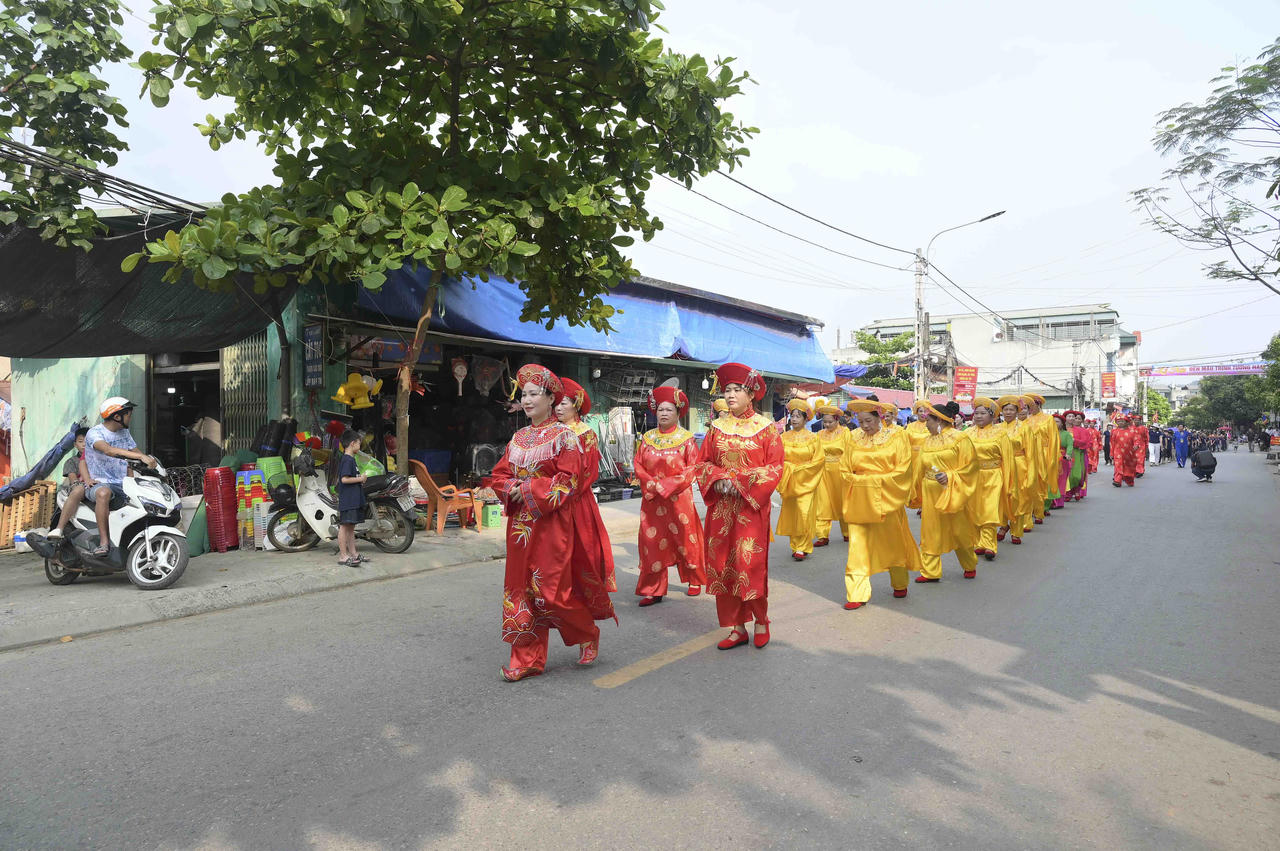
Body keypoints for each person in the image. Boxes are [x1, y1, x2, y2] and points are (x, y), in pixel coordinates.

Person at [490, 364, 600, 682]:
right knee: (520, 590)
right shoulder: (519, 438)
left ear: (551, 398)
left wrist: (526, 489)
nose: (526, 400)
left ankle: (586, 631)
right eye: (523, 394)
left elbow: (569, 481)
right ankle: (527, 658)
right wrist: (507, 487)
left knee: (549, 593)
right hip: (521, 528)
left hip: (552, 523)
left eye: (533, 394)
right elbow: (499, 474)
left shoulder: (565, 437)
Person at [696, 362, 784, 650]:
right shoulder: (716, 429)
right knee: (723, 565)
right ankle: (736, 627)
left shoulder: (766, 429)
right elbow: (703, 463)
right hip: (721, 508)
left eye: (737, 390)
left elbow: (775, 467)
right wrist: (718, 477)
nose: (730, 395)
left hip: (750, 508)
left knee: (750, 564)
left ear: (751, 394)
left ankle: (760, 621)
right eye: (727, 390)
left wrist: (741, 482)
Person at [839, 399, 921, 608]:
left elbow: (903, 469)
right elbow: (844, 468)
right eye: (861, 421)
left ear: (880, 417)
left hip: (887, 497)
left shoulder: (896, 436)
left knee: (892, 543)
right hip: (859, 497)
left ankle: (899, 582)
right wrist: (858, 481)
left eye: (868, 421)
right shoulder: (853, 437)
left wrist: (874, 482)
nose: (865, 426)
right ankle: (856, 593)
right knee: (857, 547)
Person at [554, 378, 619, 630]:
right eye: (556, 403)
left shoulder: (586, 434)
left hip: (577, 502)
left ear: (576, 405)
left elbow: (590, 472)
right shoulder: (551, 432)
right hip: (553, 502)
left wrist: (563, 493)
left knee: (583, 553)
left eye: (565, 402)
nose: (559, 408)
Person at [633, 385, 706, 604]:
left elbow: (693, 467)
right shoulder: (647, 438)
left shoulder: (686, 439)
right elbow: (638, 464)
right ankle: (653, 588)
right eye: (661, 410)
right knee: (651, 543)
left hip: (678, 500)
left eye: (669, 410)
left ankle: (694, 579)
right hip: (652, 501)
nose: (664, 413)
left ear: (677, 414)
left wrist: (667, 485)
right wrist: (652, 485)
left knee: (685, 539)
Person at [912, 401, 981, 582]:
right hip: (930, 491)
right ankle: (930, 571)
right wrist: (913, 491)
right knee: (930, 530)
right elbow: (919, 467)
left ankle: (969, 563)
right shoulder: (926, 441)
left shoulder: (960, 438)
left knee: (959, 529)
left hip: (953, 490)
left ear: (939, 421)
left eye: (928, 420)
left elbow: (971, 466)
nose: (925, 424)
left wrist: (950, 476)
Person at [81, 398, 158, 556]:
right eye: (129, 414)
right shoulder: (95, 433)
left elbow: (135, 451)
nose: (131, 417)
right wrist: (141, 457)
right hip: (98, 484)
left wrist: (149, 460)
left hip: (123, 483)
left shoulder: (124, 432)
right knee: (104, 493)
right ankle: (104, 543)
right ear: (117, 417)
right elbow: (108, 450)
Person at [966, 397, 1015, 561]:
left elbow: (1008, 459)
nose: (978, 416)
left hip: (993, 475)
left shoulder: (1001, 434)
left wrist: (1009, 483)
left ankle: (990, 545)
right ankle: (978, 542)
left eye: (983, 413)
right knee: (974, 509)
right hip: (972, 476)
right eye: (976, 413)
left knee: (989, 509)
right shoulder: (967, 433)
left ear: (992, 416)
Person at [776, 397, 825, 561]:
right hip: (789, 480)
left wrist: (801, 470)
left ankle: (803, 546)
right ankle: (795, 545)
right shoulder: (783, 437)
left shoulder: (813, 438)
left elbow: (818, 460)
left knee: (804, 513)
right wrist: (788, 470)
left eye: (798, 416)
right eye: (793, 415)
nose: (794, 419)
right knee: (792, 514)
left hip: (806, 480)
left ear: (805, 419)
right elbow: (777, 458)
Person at [996, 395, 1034, 546]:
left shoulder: (1025, 428)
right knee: (1002, 496)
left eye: (1012, 409)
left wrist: (1030, 472)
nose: (1008, 412)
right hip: (1001, 466)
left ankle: (1016, 530)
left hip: (1019, 464)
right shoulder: (997, 428)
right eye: (1005, 409)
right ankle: (1004, 524)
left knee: (1017, 497)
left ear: (1017, 411)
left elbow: (1030, 452)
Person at [813, 398, 850, 546]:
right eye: (825, 422)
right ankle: (822, 535)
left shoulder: (845, 433)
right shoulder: (819, 434)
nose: (827, 424)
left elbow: (849, 452)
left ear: (837, 420)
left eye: (830, 422)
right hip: (823, 471)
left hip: (840, 470)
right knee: (823, 502)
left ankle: (847, 532)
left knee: (843, 501)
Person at [48, 426, 91, 540]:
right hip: (80, 488)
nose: (84, 445)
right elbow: (72, 477)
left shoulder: (98, 458)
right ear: (75, 445)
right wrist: (78, 483)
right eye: (81, 442)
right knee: (78, 489)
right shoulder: (71, 461)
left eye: (87, 441)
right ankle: (59, 528)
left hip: (95, 487)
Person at [336, 430, 368, 566]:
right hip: (348, 499)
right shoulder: (347, 460)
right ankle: (343, 556)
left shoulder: (350, 459)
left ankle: (353, 553)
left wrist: (360, 479)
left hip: (353, 498)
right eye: (359, 443)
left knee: (350, 527)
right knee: (344, 527)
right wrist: (360, 478)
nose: (360, 445)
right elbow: (344, 479)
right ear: (352, 443)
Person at [1064, 411, 1091, 502]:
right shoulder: (1062, 429)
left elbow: (1083, 442)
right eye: (1069, 416)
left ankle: (1076, 489)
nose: (1072, 419)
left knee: (1076, 475)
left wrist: (1073, 441)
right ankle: (1067, 492)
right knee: (1065, 474)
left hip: (1075, 453)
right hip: (1063, 453)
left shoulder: (1080, 430)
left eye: (1074, 417)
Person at [1049, 413, 1073, 511]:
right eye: (1053, 421)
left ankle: (1059, 502)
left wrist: (1068, 454)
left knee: (1061, 480)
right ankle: (1050, 501)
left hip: (1062, 459)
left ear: (1062, 424)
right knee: (1051, 480)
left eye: (1057, 421)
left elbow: (1070, 446)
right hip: (1050, 458)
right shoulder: (1048, 433)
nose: (1054, 423)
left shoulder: (1066, 434)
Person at [1110, 415, 1141, 487]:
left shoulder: (1132, 431)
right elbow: (1112, 443)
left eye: (1122, 421)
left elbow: (1137, 440)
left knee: (1128, 469)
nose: (1120, 423)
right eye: (1118, 421)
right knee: (1118, 466)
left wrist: (1136, 445)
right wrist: (1111, 453)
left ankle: (1130, 481)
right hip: (1117, 452)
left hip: (1129, 453)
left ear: (1126, 422)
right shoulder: (1114, 431)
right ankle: (1117, 481)